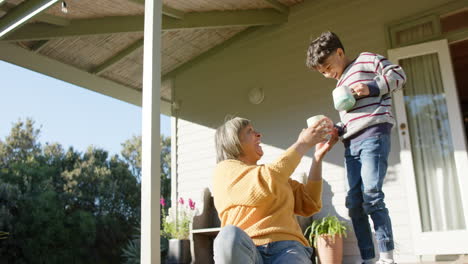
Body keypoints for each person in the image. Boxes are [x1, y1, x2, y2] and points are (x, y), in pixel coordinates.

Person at [305, 31, 407, 264]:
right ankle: (368, 258)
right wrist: (336, 130)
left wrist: (371, 86)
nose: (327, 74)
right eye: (322, 72)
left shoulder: (367, 60)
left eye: (328, 67)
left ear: (340, 52)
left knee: (371, 195)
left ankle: (387, 256)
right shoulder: (340, 84)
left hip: (374, 134)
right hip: (352, 143)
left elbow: (399, 75)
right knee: (354, 202)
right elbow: (352, 119)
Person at [212, 116, 338, 263]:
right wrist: (302, 143)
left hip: (289, 249)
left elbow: (309, 202)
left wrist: (317, 159)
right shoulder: (225, 170)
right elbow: (263, 184)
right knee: (228, 235)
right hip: (248, 252)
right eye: (249, 131)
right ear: (234, 141)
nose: (258, 134)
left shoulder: (272, 176)